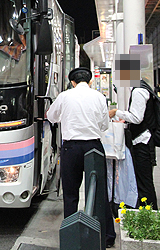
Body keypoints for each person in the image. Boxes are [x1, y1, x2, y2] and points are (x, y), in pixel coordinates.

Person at [46, 67, 116, 248]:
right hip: (94, 147)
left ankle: (71, 236)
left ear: (72, 82)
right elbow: (103, 126)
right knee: (101, 192)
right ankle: (107, 236)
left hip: (71, 148)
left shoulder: (64, 96)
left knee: (70, 194)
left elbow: (51, 117)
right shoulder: (100, 97)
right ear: (90, 81)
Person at [109, 78, 158, 210]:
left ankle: (149, 216)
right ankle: (146, 214)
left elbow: (137, 118)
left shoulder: (139, 91)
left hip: (142, 142)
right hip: (142, 141)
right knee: (143, 180)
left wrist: (116, 112)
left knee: (144, 182)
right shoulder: (141, 88)